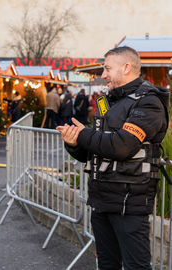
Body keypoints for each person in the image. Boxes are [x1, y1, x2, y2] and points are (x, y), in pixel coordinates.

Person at [56, 46, 169, 270]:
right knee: (107, 265)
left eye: (107, 69)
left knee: (136, 266)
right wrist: (74, 144)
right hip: (102, 201)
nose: (103, 75)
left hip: (130, 203)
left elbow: (121, 146)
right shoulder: (107, 102)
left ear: (126, 68)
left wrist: (83, 134)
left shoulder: (149, 102)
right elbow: (95, 150)